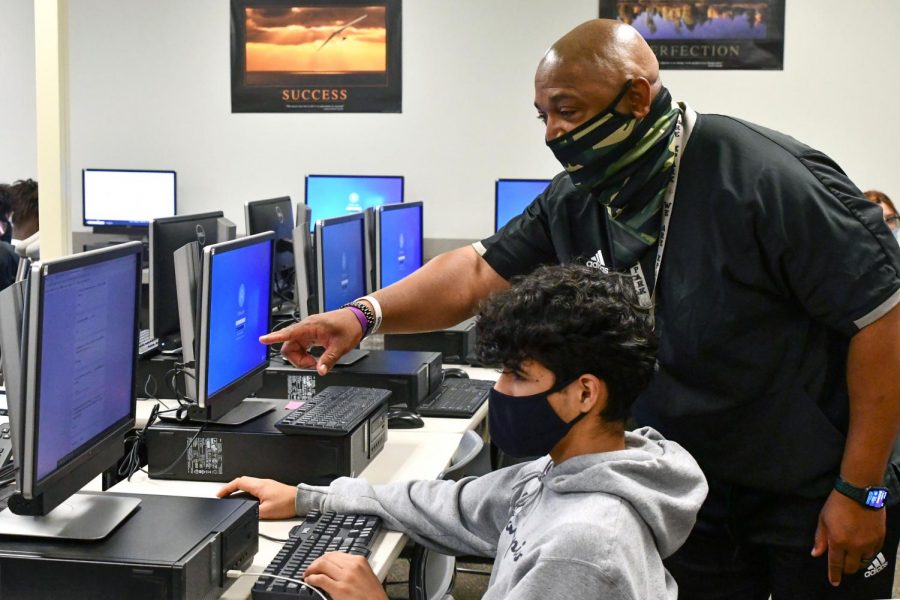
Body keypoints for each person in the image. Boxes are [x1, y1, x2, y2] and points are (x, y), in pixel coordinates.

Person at [260, 18, 900, 598]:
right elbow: (478, 270)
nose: (553, 134)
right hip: (696, 489)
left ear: (636, 98)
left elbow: (883, 320)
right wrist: (362, 315)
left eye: (566, 110)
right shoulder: (585, 193)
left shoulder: (764, 179)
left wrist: (861, 489)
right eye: (542, 115)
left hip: (811, 487)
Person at [219, 265, 708, 599]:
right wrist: (309, 498)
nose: (500, 390)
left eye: (518, 375)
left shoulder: (584, 544)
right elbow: (448, 506)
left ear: (584, 393)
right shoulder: (558, 473)